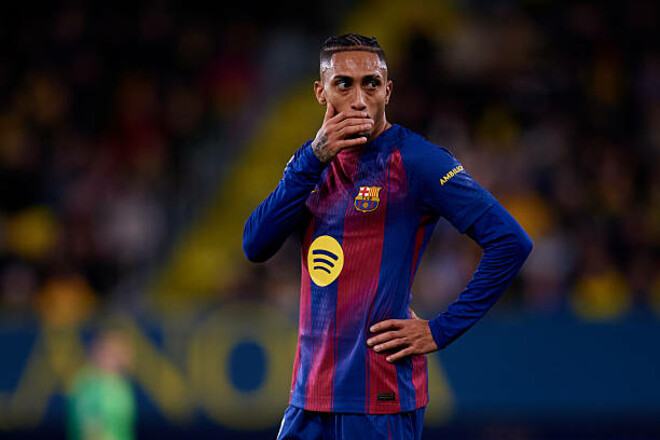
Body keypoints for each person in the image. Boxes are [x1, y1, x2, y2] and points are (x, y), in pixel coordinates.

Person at [243, 33, 532, 440]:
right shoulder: (311, 164)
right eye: (344, 84)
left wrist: (440, 329)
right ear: (321, 92)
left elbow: (511, 242)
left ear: (388, 91)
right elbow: (255, 245)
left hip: (379, 399)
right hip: (308, 397)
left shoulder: (418, 160)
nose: (359, 99)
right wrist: (311, 158)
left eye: (371, 84)